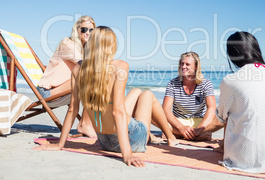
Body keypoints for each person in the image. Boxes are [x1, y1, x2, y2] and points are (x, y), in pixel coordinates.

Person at [34, 26, 179, 167]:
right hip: (131, 139)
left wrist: (60, 144)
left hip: (103, 141)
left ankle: (165, 136)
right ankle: (170, 137)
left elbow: (73, 109)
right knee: (147, 95)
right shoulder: (120, 66)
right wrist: (126, 153)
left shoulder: (79, 68)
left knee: (135, 92)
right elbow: (118, 112)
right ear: (111, 46)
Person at [216, 31, 265, 174]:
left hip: (245, 161)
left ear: (232, 55)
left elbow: (220, 117)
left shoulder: (231, 80)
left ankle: (226, 148)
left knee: (231, 112)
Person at [37, 15, 96, 137]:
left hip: (65, 91)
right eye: (84, 29)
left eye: (91, 30)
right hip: (48, 93)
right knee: (91, 77)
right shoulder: (67, 43)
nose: (87, 33)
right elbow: (87, 65)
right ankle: (85, 124)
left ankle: (88, 124)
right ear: (77, 29)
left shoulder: (86, 49)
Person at [162, 52, 223, 141]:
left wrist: (200, 129)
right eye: (182, 64)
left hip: (199, 123)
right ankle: (194, 136)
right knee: (154, 114)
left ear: (196, 67)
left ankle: (177, 134)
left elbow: (211, 108)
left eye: (187, 64)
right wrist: (181, 127)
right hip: (178, 122)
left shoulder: (206, 84)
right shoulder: (172, 84)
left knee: (223, 116)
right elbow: (166, 109)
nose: (183, 67)